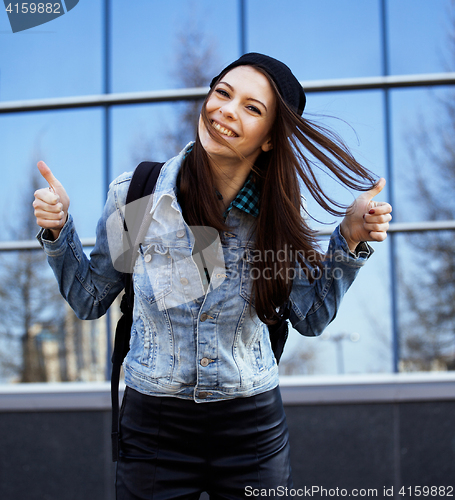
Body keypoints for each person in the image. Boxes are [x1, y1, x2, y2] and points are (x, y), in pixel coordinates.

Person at [33, 53, 392, 499]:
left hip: (252, 430)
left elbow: (310, 316)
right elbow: (91, 298)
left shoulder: (275, 214)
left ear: (268, 140)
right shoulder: (139, 194)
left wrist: (349, 240)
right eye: (222, 93)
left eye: (251, 108)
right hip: (153, 430)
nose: (226, 109)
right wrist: (57, 228)